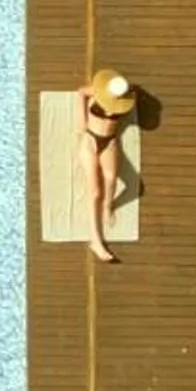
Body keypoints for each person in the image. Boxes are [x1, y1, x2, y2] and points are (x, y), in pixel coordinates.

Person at [79, 68, 137, 264]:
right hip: (90, 140)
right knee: (94, 191)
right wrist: (82, 119)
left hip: (109, 141)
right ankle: (96, 241)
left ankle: (107, 207)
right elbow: (80, 92)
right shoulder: (97, 92)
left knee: (111, 179)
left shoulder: (125, 100)